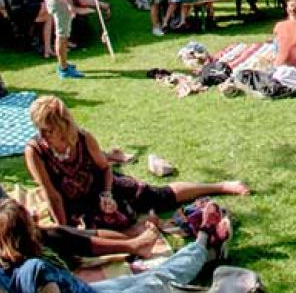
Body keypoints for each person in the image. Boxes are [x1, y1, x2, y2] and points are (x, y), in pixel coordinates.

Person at [0, 198, 227, 293]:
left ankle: (210, 253)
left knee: (145, 277)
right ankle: (204, 239)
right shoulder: (38, 273)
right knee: (162, 280)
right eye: (30, 221)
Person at [24, 96, 246, 232]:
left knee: (156, 196)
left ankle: (220, 186)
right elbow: (52, 194)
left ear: (63, 125)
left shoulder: (83, 138)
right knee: (99, 229)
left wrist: (107, 194)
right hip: (70, 204)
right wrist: (65, 232)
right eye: (39, 129)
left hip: (99, 189)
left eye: (48, 130)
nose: (42, 135)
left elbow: (104, 168)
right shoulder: (35, 151)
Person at [0, 141, 160, 270]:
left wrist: (27, 222)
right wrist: (30, 231)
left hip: (7, 236)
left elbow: (9, 208)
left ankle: (134, 243)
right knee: (56, 239)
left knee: (59, 234)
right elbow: (2, 245)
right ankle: (133, 245)